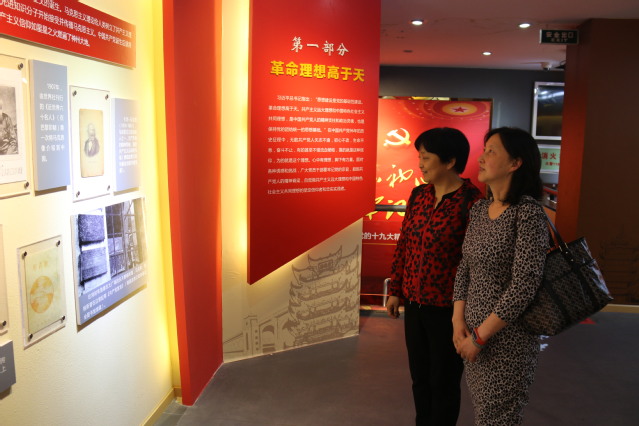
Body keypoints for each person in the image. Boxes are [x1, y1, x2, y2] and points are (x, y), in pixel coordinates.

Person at [452, 127, 549, 425]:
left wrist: (480, 337)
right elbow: (465, 267)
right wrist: (457, 321)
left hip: (507, 341)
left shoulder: (528, 213)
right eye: (484, 151)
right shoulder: (480, 209)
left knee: (497, 419)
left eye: (491, 151)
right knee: (485, 415)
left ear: (515, 163)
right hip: (473, 336)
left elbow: (524, 286)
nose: (481, 158)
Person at [386, 127, 482, 426]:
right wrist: (395, 289)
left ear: (450, 161)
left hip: (449, 310)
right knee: (420, 378)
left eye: (426, 157)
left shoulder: (472, 201)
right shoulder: (419, 195)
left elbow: (472, 263)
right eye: (420, 156)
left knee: (444, 382)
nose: (420, 164)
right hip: (415, 305)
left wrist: (463, 312)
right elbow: (404, 244)